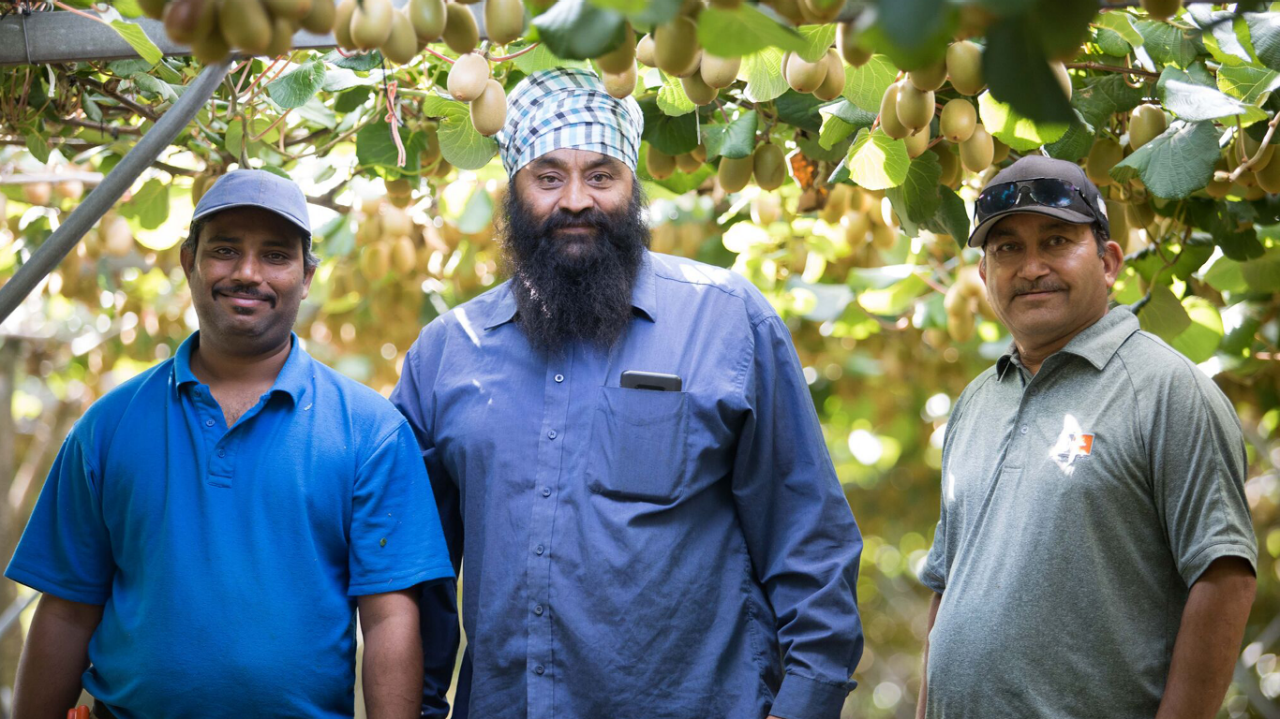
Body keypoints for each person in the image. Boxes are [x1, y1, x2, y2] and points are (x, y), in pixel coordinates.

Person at [391, 68, 865, 719]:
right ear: (513, 190)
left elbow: (807, 534)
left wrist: (805, 703)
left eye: (602, 175)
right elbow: (414, 577)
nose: (577, 199)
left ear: (634, 185)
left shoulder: (727, 321)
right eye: (549, 176)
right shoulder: (446, 353)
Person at [5, 169, 454, 719]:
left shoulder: (371, 431)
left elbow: (389, 619)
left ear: (307, 276)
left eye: (275, 255)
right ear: (187, 260)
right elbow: (67, 611)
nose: (248, 273)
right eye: (224, 250)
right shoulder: (108, 427)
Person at [916, 155, 1258, 719]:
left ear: (1108, 261)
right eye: (1007, 249)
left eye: (1055, 241)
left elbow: (1225, 577)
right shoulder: (975, 402)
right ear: (982, 274)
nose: (1030, 268)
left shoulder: (1168, 390)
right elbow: (946, 588)